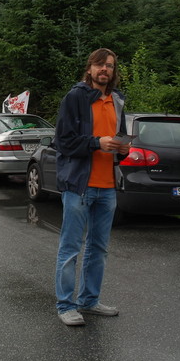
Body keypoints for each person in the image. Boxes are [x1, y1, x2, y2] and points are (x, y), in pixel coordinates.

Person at [53, 48, 129, 327]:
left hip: (108, 186)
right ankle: (65, 305)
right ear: (90, 69)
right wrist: (97, 143)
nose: (104, 69)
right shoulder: (75, 98)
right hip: (79, 185)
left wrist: (122, 149)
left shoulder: (117, 100)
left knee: (99, 248)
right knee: (71, 248)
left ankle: (89, 300)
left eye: (109, 65)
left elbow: (118, 140)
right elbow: (63, 141)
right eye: (99, 64)